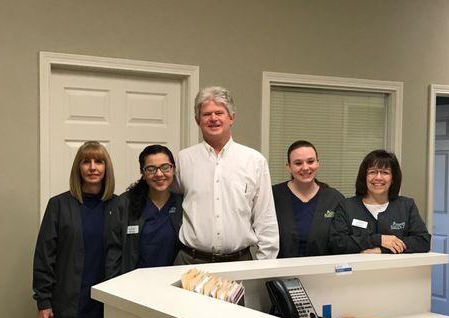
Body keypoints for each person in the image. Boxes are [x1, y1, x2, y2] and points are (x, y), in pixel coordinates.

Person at [32, 141, 116, 318]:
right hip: (63, 304)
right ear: (78, 167)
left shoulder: (119, 206)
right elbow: (44, 256)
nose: (93, 167)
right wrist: (43, 302)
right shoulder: (59, 205)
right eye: (86, 161)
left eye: (98, 161)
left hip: (102, 305)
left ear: (106, 168)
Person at [174, 86, 279, 264]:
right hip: (190, 262)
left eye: (219, 113)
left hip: (239, 262)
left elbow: (265, 216)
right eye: (206, 114)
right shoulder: (183, 159)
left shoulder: (254, 160)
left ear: (231, 118)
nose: (213, 118)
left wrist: (265, 265)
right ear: (197, 120)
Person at [330, 149, 430, 254]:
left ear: (393, 178)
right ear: (364, 177)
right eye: (372, 172)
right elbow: (337, 243)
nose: (378, 177)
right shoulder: (347, 206)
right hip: (357, 269)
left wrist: (382, 250)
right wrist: (378, 240)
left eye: (385, 172)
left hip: (397, 269)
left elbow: (423, 241)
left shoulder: (406, 205)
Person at [107, 145, 182, 275]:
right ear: (143, 173)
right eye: (151, 169)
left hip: (172, 283)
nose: (159, 174)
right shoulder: (125, 204)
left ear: (173, 169)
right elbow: (114, 251)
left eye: (165, 167)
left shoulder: (182, 204)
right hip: (132, 284)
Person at [272, 140, 344, 258]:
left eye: (310, 161)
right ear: (288, 167)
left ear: (318, 163)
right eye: (298, 163)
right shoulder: (273, 196)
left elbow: (341, 241)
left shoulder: (334, 199)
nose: (305, 167)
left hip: (322, 271)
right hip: (281, 272)